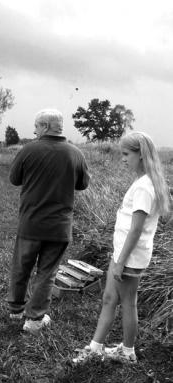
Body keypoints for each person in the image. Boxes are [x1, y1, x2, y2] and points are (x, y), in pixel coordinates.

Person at [73, 131, 170, 363]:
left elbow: (136, 229)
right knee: (109, 298)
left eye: (126, 154)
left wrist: (120, 261)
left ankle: (127, 352)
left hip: (130, 257)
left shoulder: (145, 187)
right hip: (123, 254)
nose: (123, 159)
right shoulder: (142, 182)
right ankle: (96, 348)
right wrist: (117, 255)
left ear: (141, 154)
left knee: (128, 303)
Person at [8, 109, 90, 333]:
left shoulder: (28, 150)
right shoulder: (76, 153)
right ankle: (34, 320)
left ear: (44, 126)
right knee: (47, 272)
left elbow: (14, 179)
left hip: (30, 223)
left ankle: (16, 310)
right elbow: (83, 184)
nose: (34, 131)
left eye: (36, 126)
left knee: (21, 267)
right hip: (59, 226)